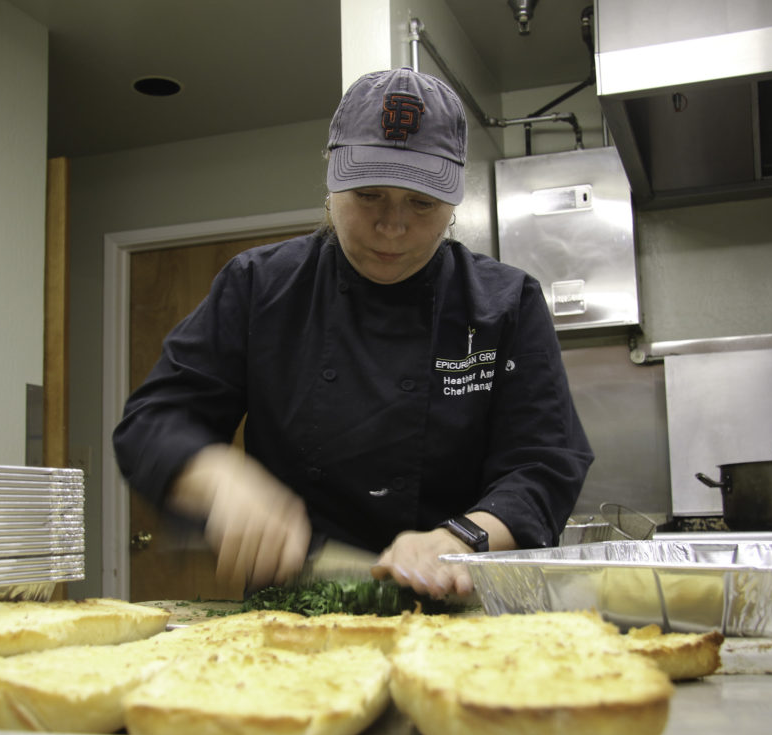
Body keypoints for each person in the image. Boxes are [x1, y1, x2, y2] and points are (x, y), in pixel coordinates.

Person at [112, 68, 593, 600]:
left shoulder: (505, 304)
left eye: (422, 203)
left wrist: (463, 537)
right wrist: (221, 482)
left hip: (460, 611)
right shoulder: (259, 286)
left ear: (454, 203)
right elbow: (154, 420)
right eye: (368, 195)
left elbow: (545, 463)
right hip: (291, 613)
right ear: (332, 182)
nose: (392, 226)